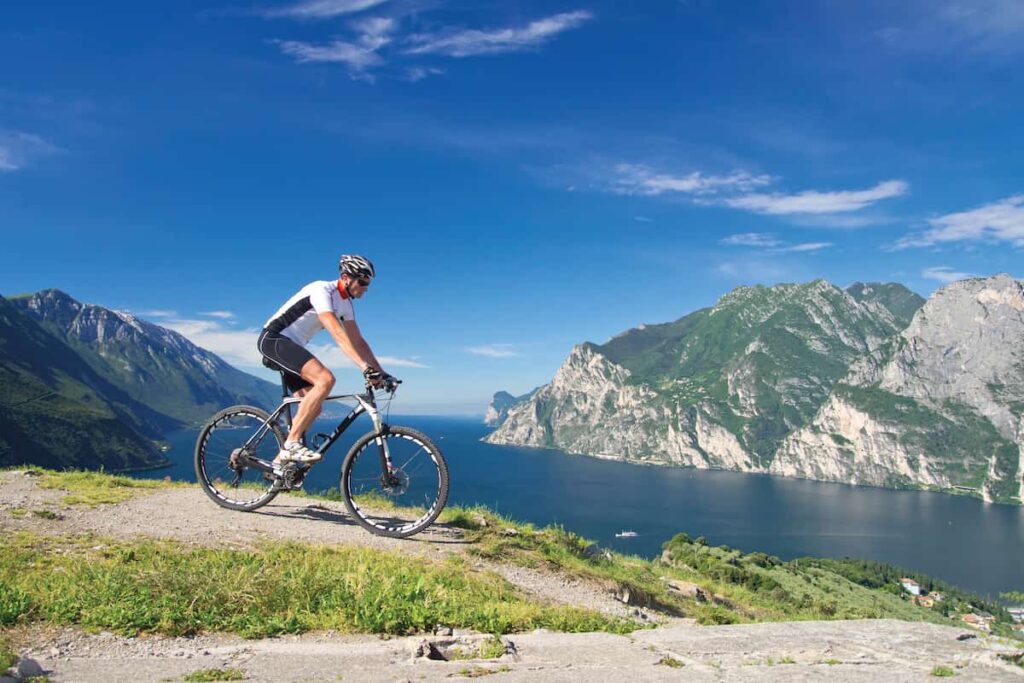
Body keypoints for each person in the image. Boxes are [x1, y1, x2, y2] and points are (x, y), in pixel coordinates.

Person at [257, 254, 398, 470]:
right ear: (345, 277)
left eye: (368, 284)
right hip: (274, 339)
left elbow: (358, 341)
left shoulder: (346, 305)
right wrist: (364, 367)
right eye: (362, 282)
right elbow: (335, 330)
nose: (365, 288)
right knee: (325, 380)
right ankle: (291, 444)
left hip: (293, 347)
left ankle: (278, 466)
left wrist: (381, 372)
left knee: (314, 407)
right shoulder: (322, 290)